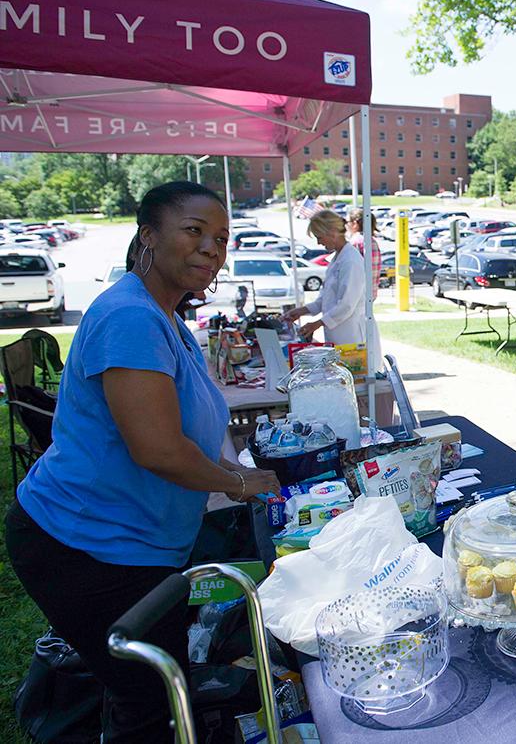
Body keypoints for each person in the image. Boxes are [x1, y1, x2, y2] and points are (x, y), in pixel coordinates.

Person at [6, 181, 281, 742]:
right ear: (148, 237)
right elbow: (156, 448)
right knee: (151, 700)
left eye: (222, 239)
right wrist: (239, 482)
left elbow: (194, 425)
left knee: (156, 689)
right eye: (194, 231)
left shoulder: (166, 317)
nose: (212, 248)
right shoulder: (130, 316)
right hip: (84, 546)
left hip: (133, 544)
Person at [282, 209, 374, 348]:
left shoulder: (351, 261)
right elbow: (325, 299)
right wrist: (302, 311)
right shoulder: (338, 258)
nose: (319, 243)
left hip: (351, 334)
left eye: (319, 237)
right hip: (337, 333)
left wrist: (317, 324)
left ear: (332, 232)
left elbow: (346, 304)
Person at [346, 207, 383, 298]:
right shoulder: (372, 241)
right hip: (371, 293)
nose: (345, 225)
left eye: (347, 222)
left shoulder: (355, 241)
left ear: (355, 223)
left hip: (357, 295)